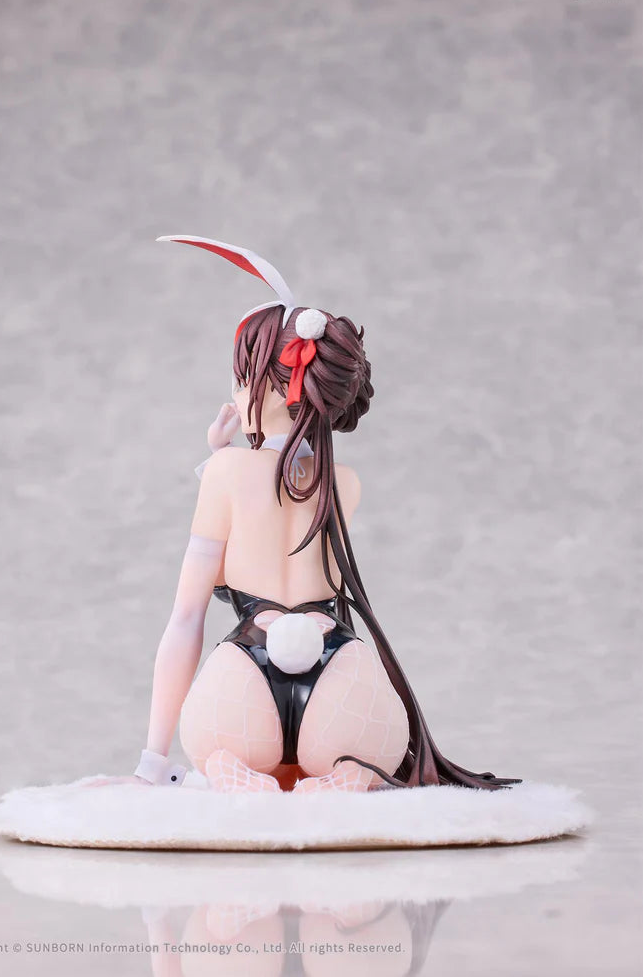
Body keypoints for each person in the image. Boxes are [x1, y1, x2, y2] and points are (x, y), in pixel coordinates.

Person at [91, 237, 522, 794]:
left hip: (248, 683)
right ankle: (340, 777)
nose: (234, 393)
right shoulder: (345, 484)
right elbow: (291, 492)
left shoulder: (226, 473)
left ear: (266, 388)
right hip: (341, 683)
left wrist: (151, 763)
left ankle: (233, 771)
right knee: (362, 750)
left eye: (239, 378)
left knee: (216, 747)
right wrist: (226, 457)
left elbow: (188, 615)